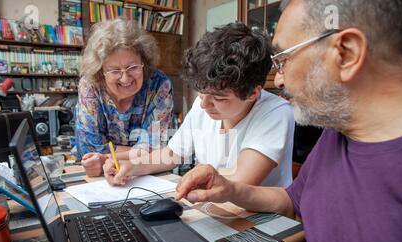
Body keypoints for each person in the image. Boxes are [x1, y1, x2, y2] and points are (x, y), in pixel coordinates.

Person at [175, 0, 402, 242]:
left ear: (346, 53)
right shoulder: (336, 132)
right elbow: (291, 201)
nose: (280, 79)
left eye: (283, 59)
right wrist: (230, 189)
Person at [104, 22, 294, 188]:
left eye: (219, 98)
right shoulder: (204, 103)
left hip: (261, 218)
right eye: (201, 93)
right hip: (213, 208)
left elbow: (240, 180)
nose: (204, 104)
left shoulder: (277, 113)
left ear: (253, 93)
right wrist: (133, 166)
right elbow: (172, 154)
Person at [75, 18, 176, 177]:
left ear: (144, 63)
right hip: (98, 174)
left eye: (133, 67)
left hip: (149, 174)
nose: (125, 78)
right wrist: (139, 151)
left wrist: (106, 157)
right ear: (101, 71)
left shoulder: (159, 84)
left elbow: (158, 148)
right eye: (115, 70)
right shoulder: (90, 85)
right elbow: (88, 148)